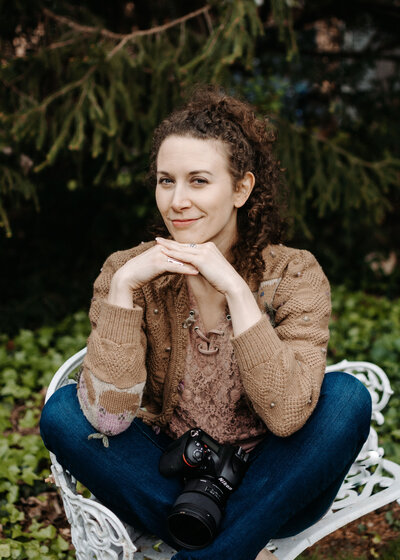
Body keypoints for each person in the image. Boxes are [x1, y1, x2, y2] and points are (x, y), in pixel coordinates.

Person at [40, 86, 372, 560]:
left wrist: (238, 291)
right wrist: (121, 292)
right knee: (64, 414)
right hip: (170, 483)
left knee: (347, 399)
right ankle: (236, 545)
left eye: (198, 181)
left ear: (241, 188)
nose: (177, 201)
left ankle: (221, 543)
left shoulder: (295, 273)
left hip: (274, 481)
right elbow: (107, 419)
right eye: (165, 180)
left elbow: (288, 415)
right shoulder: (128, 271)